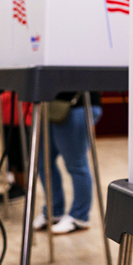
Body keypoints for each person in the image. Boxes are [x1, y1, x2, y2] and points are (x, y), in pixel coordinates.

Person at [32, 92, 101, 234]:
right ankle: (54, 210)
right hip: (51, 103)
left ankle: (79, 217)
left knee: (76, 164)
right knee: (43, 161)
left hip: (77, 104)